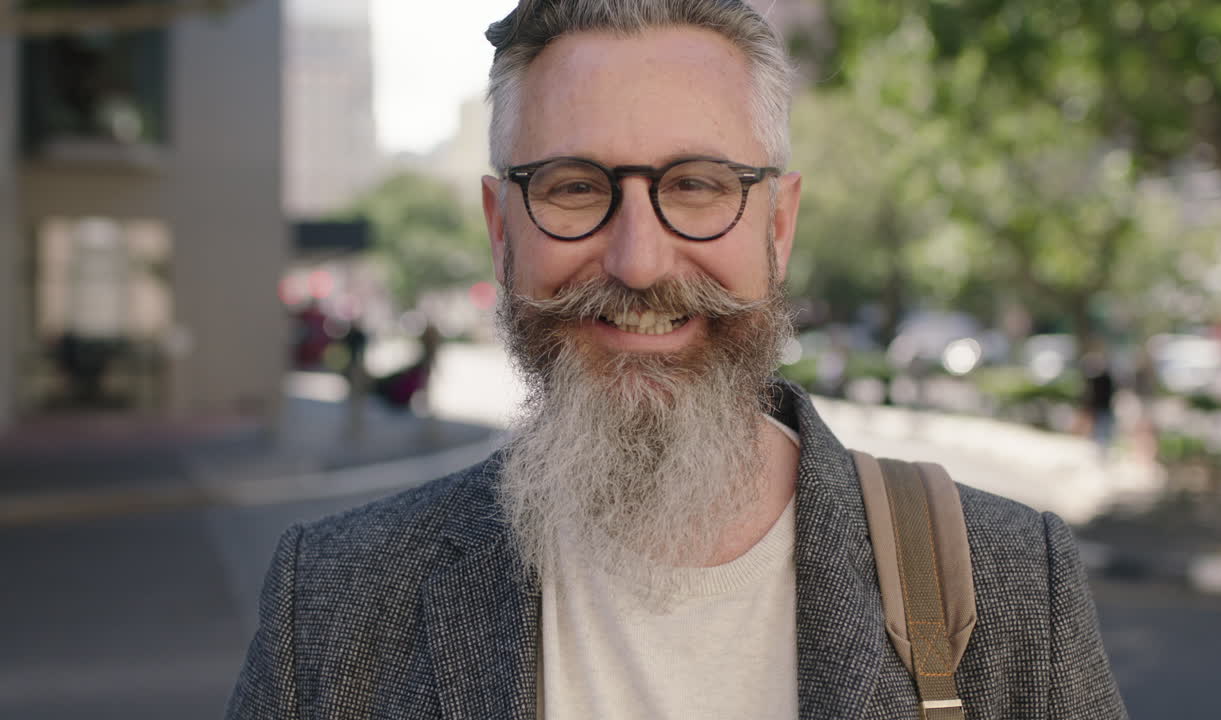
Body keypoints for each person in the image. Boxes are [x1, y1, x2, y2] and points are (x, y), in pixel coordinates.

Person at [227, 2, 1127, 718]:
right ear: (501, 229)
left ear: (779, 224)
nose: (638, 262)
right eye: (574, 188)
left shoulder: (1011, 581)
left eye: (696, 186)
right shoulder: (338, 602)